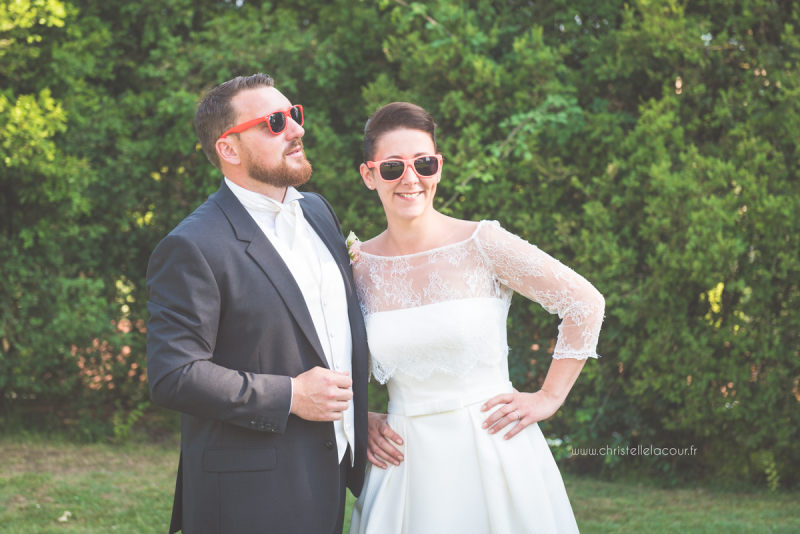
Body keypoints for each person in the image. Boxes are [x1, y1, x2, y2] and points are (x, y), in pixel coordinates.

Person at [348, 102, 605, 533]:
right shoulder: (356, 266)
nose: (411, 179)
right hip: (405, 463)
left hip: (494, 448)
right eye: (393, 168)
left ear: (439, 167)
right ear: (369, 175)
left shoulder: (483, 242)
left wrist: (547, 398)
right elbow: (325, 352)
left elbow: (584, 302)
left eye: (424, 163)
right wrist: (360, 417)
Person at [146, 73, 368, 534]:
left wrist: (360, 419)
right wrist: (290, 396)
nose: (296, 129)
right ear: (229, 149)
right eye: (274, 122)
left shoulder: (318, 211)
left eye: (294, 115)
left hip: (329, 476)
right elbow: (173, 374)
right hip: (250, 497)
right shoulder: (193, 245)